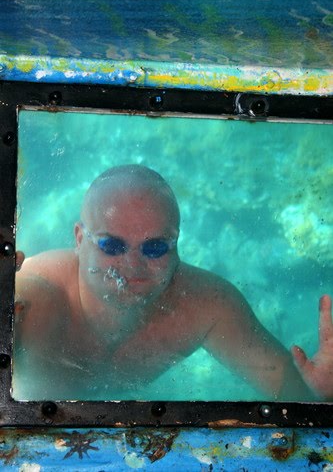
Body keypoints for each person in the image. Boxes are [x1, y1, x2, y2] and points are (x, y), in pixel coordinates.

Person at [13, 165, 333, 401]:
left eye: (154, 248)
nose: (132, 265)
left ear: (176, 246)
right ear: (79, 239)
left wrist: (322, 396)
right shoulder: (29, 301)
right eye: (112, 245)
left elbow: (291, 394)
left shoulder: (206, 305)